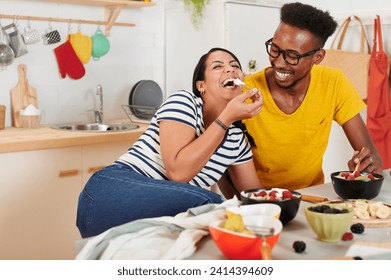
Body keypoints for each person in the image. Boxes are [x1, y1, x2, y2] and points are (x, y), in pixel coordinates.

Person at [76, 48, 264, 238]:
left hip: (159, 210)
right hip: (109, 191)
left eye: (235, 66)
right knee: (210, 206)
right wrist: (225, 118)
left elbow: (256, 198)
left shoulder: (236, 139)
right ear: (201, 86)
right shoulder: (184, 102)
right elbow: (178, 172)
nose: (230, 70)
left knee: (217, 216)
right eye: (218, 66)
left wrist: (285, 206)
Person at [241, 2, 382, 191]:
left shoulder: (333, 82)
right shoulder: (247, 91)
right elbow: (226, 167)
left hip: (311, 197)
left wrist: (364, 167)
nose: (279, 63)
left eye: (292, 56)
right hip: (258, 201)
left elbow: (371, 155)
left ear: (318, 57)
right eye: (275, 49)